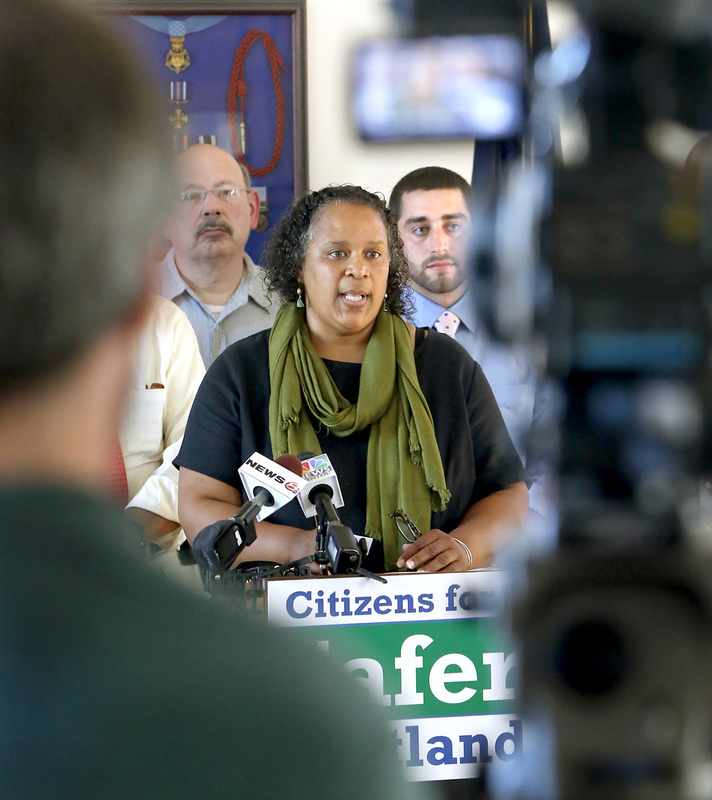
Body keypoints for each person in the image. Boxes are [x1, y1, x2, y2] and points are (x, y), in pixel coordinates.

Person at [0, 2, 435, 798]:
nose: (358, 273)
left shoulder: (400, 358)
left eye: (374, 254)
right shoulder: (300, 726)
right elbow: (195, 484)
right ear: (142, 297)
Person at [177, 185, 529, 574]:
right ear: (299, 267)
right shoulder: (240, 373)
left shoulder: (448, 367)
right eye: (337, 253)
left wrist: (465, 547)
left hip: (429, 620)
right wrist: (298, 546)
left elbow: (508, 493)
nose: (358, 269)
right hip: (285, 621)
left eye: (373, 255)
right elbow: (199, 507)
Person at [389, 166, 554, 520]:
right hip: (402, 549)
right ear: (392, 238)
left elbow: (553, 454)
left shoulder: (526, 332)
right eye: (420, 229)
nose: (440, 245)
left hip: (510, 543)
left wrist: (515, 528)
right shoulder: (370, 334)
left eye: (454, 226)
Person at [155, 143, 276, 367]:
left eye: (226, 192)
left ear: (252, 210)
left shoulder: (287, 305)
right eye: (190, 195)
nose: (211, 207)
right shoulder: (126, 305)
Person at [121, 294, 204, 583]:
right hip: (43, 555)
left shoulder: (166, 323)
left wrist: (123, 538)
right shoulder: (20, 325)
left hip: (154, 556)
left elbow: (195, 454)